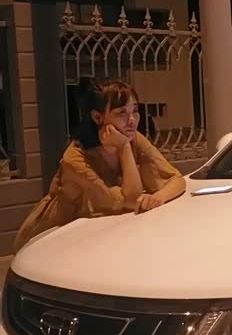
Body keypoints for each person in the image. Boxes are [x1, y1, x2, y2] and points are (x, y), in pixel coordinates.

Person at [14, 78, 186, 252]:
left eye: (135, 110)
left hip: (102, 233)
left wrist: (158, 198)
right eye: (121, 113)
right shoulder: (75, 159)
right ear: (97, 117)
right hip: (55, 237)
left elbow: (177, 179)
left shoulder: (133, 138)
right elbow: (131, 200)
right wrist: (124, 147)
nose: (132, 120)